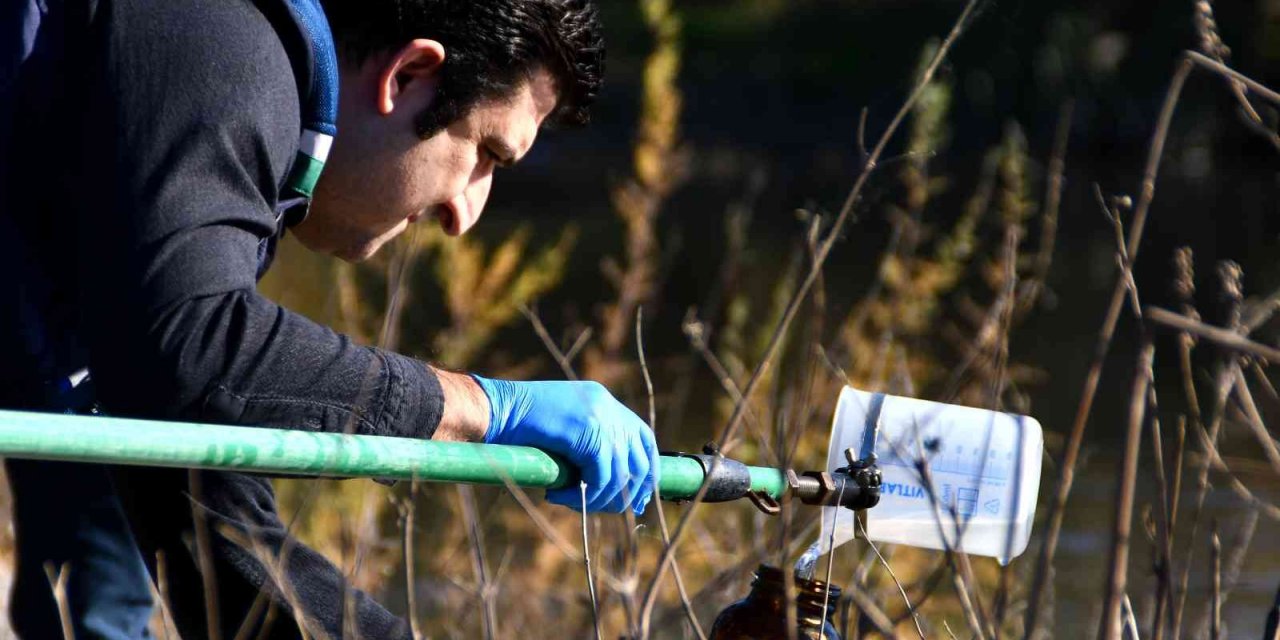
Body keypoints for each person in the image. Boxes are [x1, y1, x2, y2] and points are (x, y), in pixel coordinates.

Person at [0, 0, 658, 637]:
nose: (466, 215)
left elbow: (205, 500)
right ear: (407, 76)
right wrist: (485, 409)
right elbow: (194, 344)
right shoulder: (225, 36)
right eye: (486, 152)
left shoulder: (212, 122)